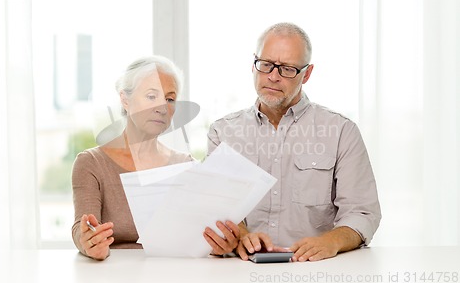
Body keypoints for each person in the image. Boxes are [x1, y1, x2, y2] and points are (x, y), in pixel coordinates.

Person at [204, 22, 381, 261]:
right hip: (242, 272)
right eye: (265, 65)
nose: (273, 77)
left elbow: (362, 212)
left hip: (316, 270)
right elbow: (216, 205)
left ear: (306, 74)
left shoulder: (341, 131)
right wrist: (241, 235)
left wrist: (331, 241)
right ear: (253, 65)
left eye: (287, 69)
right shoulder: (222, 132)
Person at [72, 55, 236, 260]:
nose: (162, 107)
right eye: (151, 96)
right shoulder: (91, 163)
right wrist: (89, 242)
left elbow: (200, 238)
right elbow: (82, 227)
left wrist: (220, 245)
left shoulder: (187, 166)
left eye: (170, 99)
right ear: (125, 99)